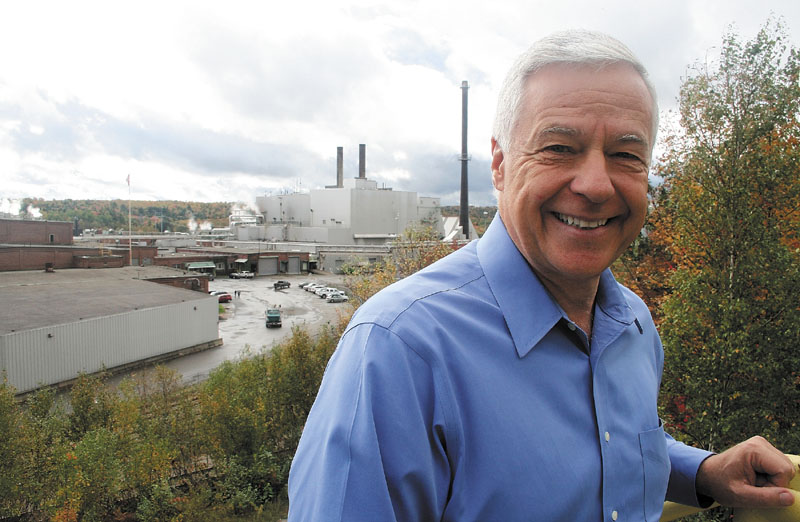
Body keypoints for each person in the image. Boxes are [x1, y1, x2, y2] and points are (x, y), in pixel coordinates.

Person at [287, 30, 796, 521]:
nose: (596, 185)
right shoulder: (400, 348)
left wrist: (702, 472)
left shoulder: (634, 325)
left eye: (625, 154)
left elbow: (613, 441)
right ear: (501, 164)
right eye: (558, 148)